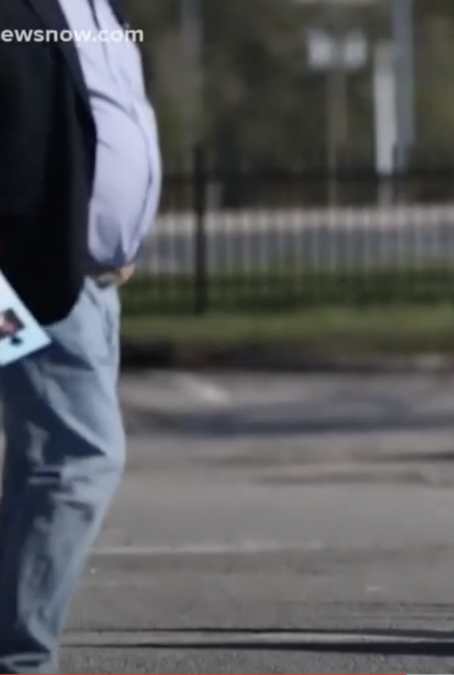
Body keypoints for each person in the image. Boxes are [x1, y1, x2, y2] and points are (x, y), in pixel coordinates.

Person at [0, 0, 161, 671]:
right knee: (79, 454)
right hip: (19, 277)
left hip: (87, 280)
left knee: (48, 459)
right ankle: (18, 659)